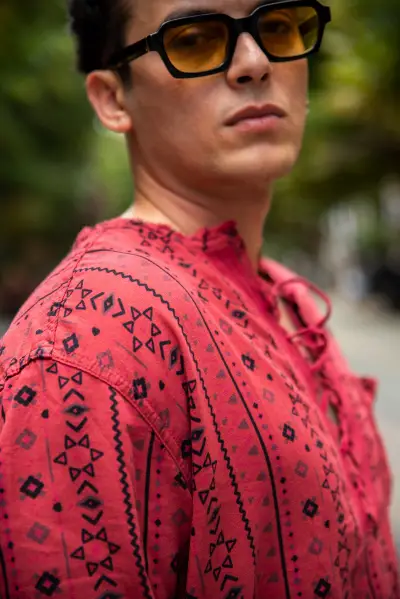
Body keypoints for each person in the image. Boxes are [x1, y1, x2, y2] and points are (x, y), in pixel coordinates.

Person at [0, 0, 398, 597]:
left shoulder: (287, 297)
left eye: (277, 27)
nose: (255, 61)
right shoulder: (84, 337)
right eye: (193, 39)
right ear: (113, 99)